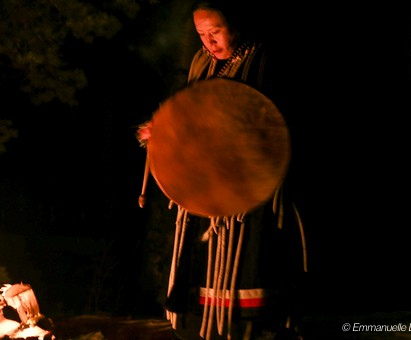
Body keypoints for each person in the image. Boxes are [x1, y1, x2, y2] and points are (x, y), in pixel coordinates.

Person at [137, 1, 307, 339]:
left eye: (216, 33)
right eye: (202, 35)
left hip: (245, 187)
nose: (209, 43)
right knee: (201, 262)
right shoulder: (201, 61)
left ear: (236, 25)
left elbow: (264, 123)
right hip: (203, 184)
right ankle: (200, 326)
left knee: (243, 261)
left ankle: (247, 329)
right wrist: (166, 131)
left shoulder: (263, 59)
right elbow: (191, 110)